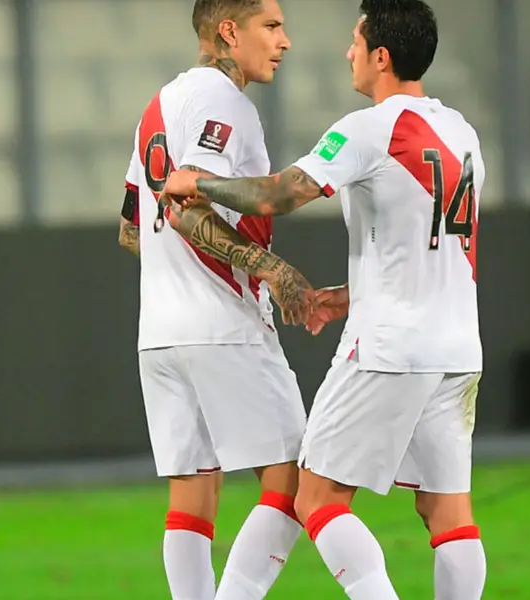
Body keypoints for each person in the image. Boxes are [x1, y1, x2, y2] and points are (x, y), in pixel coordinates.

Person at [162, 1, 486, 597]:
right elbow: (438, 247)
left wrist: (197, 180)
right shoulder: (462, 133)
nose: (349, 53)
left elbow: (280, 194)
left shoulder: (368, 129)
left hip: (391, 346)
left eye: (356, 42)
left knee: (316, 495)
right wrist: (351, 293)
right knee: (449, 513)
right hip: (458, 344)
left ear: (381, 56)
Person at [116, 1, 314, 597]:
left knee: (193, 494)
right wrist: (269, 267)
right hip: (221, 324)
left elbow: (130, 229)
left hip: (160, 331)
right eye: (271, 27)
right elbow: (186, 204)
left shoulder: (158, 105)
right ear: (230, 30)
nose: (284, 42)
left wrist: (176, 279)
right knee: (297, 484)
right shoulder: (221, 99)